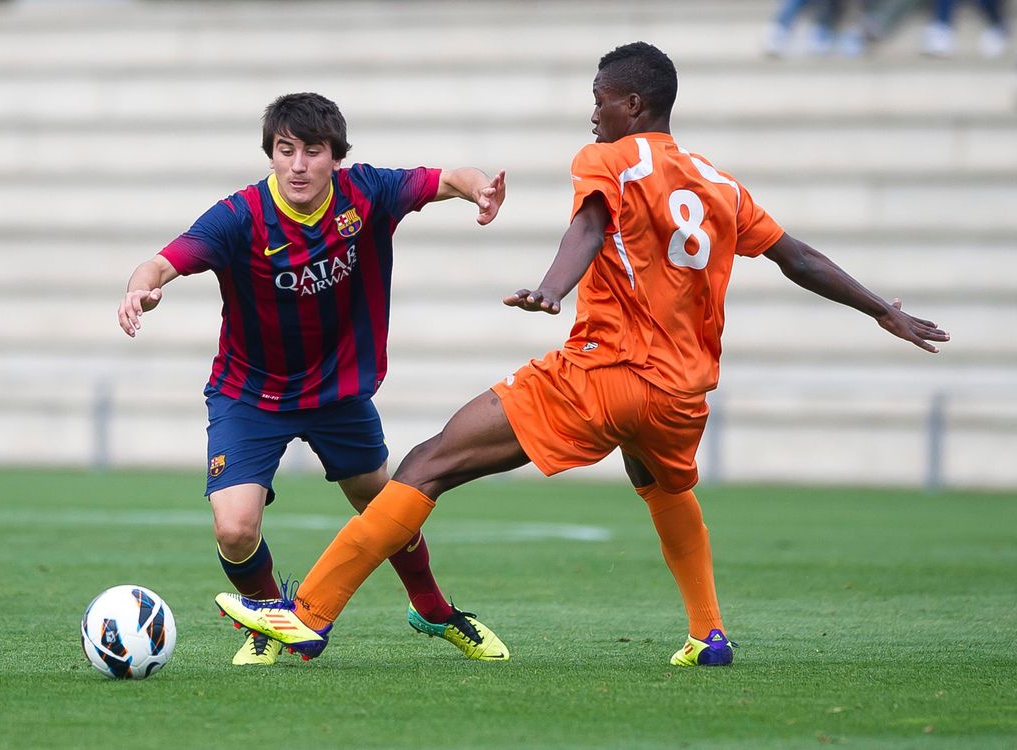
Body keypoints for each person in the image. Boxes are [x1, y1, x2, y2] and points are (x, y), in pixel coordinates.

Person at [214, 44, 950, 666]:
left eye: (601, 98)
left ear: (633, 103)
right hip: (681, 395)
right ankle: (709, 632)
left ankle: (307, 613)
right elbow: (798, 258)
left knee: (428, 462)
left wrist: (552, 288)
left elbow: (592, 226)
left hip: (604, 372)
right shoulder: (720, 184)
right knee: (658, 484)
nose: (592, 110)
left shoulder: (609, 158)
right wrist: (883, 309)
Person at [118, 92, 510, 665]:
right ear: (271, 155)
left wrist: (478, 188)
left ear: (335, 157)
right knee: (234, 527)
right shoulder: (240, 216)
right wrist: (141, 288)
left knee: (388, 511)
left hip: (337, 392)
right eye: (285, 150)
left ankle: (433, 609)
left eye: (312, 151)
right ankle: (272, 620)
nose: (298, 164)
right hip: (250, 393)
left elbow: (449, 177)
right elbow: (161, 261)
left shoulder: (366, 193)